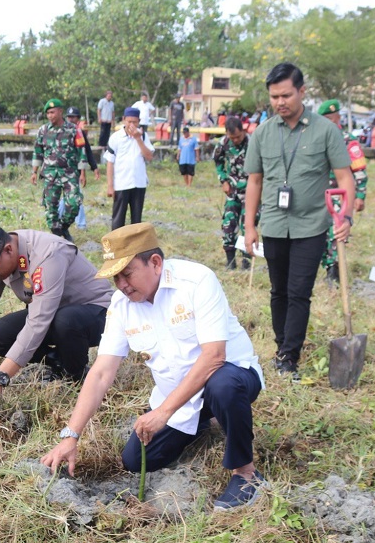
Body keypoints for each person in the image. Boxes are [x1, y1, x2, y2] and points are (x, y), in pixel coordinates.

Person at [39, 223, 268, 511]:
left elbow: (214, 356)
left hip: (231, 376)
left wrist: (163, 413)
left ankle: (246, 474)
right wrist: (71, 435)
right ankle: (202, 423)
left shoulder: (197, 281)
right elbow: (100, 373)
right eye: (115, 277)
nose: (122, 284)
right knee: (135, 461)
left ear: (155, 263)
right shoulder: (121, 306)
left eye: (127, 273)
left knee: (222, 386)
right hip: (179, 398)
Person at [243, 62, 355, 381]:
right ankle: (282, 346)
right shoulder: (263, 133)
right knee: (278, 290)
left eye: (286, 95)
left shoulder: (325, 131)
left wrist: (346, 216)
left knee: (299, 291)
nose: (280, 102)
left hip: (312, 225)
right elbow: (255, 182)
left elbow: (345, 177)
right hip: (275, 225)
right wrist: (250, 226)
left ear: (302, 92)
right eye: (275, 97)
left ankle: (289, 356)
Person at [0, 218, 112, 403]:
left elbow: (37, 323)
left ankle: (76, 374)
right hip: (52, 314)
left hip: (96, 313)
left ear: (9, 250)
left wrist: (0, 378)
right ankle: (58, 362)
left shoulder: (48, 254)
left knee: (66, 320)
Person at [317, 99, 369, 285]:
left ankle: (334, 271)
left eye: (333, 119)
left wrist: (360, 195)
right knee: (320, 233)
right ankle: (327, 266)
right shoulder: (317, 139)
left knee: (336, 232)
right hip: (319, 195)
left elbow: (359, 171)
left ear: (338, 118)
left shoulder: (348, 141)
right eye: (326, 119)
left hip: (340, 195)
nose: (330, 123)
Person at [31, 98, 84, 242]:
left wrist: (83, 173)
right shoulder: (43, 130)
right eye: (48, 113)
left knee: (73, 204)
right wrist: (34, 172)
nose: (50, 116)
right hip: (50, 175)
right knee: (50, 208)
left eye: (52, 112)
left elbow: (81, 151)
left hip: (69, 174)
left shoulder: (73, 129)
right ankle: (56, 235)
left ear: (60, 111)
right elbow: (38, 151)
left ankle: (64, 227)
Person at [212, 118, 251, 270]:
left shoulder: (253, 143)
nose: (235, 140)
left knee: (248, 226)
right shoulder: (223, 143)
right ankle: (230, 261)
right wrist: (223, 180)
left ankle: (246, 262)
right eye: (232, 137)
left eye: (238, 137)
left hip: (250, 193)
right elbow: (218, 162)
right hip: (232, 192)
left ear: (243, 131)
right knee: (229, 225)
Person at [105, 107, 154, 229]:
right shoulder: (116, 137)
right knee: (118, 219)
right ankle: (116, 245)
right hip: (122, 183)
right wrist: (110, 186)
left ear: (139, 122)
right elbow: (110, 162)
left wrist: (138, 138)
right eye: (129, 121)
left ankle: (135, 246)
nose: (132, 124)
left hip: (139, 183)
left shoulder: (143, 136)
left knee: (136, 220)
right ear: (123, 120)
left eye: (135, 122)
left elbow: (149, 156)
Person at [60, 106, 98, 230]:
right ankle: (60, 220)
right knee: (65, 196)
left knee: (76, 196)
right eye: (69, 117)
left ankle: (80, 224)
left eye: (73, 117)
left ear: (78, 119)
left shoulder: (79, 133)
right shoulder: (61, 132)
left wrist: (93, 168)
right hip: (61, 170)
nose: (71, 119)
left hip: (74, 171)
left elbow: (86, 151)